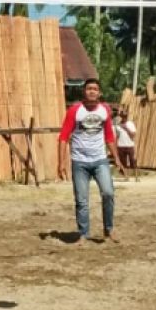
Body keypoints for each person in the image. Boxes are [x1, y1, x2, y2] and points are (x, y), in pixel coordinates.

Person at [57, 79, 126, 243]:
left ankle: (108, 230)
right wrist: (61, 163)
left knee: (108, 193)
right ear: (84, 92)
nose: (92, 91)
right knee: (81, 200)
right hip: (79, 162)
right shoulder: (75, 110)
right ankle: (83, 234)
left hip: (100, 160)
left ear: (99, 92)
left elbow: (109, 136)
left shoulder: (105, 111)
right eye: (89, 89)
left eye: (95, 89)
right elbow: (63, 137)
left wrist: (117, 159)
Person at [114, 107, 138, 179]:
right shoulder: (118, 125)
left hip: (130, 145)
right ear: (121, 117)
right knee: (123, 161)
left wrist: (126, 128)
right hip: (121, 145)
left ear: (127, 116)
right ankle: (126, 176)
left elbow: (133, 135)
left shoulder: (130, 124)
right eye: (123, 116)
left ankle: (136, 176)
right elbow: (117, 136)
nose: (124, 117)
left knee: (132, 160)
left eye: (125, 116)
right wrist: (115, 146)